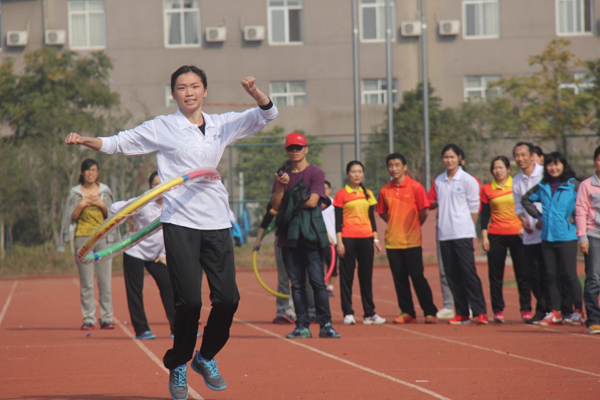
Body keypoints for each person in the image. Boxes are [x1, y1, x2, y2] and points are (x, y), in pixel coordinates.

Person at [65, 66, 277, 399]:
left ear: (205, 91)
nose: (189, 92)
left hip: (216, 222)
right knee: (189, 301)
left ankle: (205, 357)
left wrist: (255, 93)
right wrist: (84, 140)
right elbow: (118, 142)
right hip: (180, 222)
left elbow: (267, 115)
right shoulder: (163, 127)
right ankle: (179, 362)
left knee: (228, 299)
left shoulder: (221, 124)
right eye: (181, 87)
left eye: (195, 86)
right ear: (174, 93)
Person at [271, 132, 341, 339]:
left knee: (318, 282)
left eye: (298, 147)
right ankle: (302, 325)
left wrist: (288, 201)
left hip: (311, 235)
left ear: (306, 149)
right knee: (297, 284)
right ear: (287, 151)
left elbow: (313, 202)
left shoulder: (316, 173)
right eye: (291, 148)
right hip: (288, 237)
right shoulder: (282, 176)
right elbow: (275, 205)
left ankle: (325, 324)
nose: (294, 151)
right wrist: (281, 187)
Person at [109, 171, 175, 340]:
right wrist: (131, 222)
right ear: (150, 187)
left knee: (168, 284)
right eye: (155, 184)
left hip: (156, 255)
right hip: (135, 251)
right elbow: (114, 207)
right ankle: (141, 329)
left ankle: (177, 328)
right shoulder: (144, 203)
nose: (159, 187)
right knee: (135, 291)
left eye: (162, 183)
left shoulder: (172, 205)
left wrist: (164, 254)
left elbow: (170, 233)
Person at [428, 144, 488, 325]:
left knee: (468, 272)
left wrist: (469, 227)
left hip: (462, 233)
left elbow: (474, 207)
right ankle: (462, 312)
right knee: (452, 275)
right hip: (444, 234)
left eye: (452, 157)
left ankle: (480, 312)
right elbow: (432, 202)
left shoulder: (468, 180)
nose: (449, 160)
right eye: (446, 157)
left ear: (459, 159)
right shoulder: (439, 180)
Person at [522, 152, 583, 327]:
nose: (553, 168)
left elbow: (586, 203)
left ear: (563, 165)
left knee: (570, 275)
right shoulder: (543, 185)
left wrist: (575, 218)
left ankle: (578, 312)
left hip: (567, 236)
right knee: (551, 276)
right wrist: (539, 216)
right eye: (549, 164)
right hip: (547, 237)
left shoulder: (574, 185)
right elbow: (525, 199)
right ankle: (555, 312)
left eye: (556, 164)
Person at [376, 153, 438, 324]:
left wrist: (415, 224)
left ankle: (430, 311)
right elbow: (382, 212)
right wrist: (393, 222)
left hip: (412, 241)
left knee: (417, 276)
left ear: (404, 167)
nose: (393, 168)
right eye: (390, 165)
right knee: (400, 279)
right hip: (392, 242)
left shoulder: (415, 187)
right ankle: (407, 312)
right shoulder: (385, 190)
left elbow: (424, 210)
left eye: (397, 165)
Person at [58, 158, 116, 330]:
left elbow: (112, 215)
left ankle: (106, 317)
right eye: (88, 170)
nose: (91, 173)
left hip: (102, 239)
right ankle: (89, 318)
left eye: (94, 170)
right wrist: (82, 204)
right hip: (82, 239)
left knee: (105, 281)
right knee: (87, 282)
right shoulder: (75, 193)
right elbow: (70, 217)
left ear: (98, 173)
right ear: (82, 173)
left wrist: (101, 204)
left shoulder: (105, 191)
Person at [480, 156, 532, 323]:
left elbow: (526, 207)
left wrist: (524, 226)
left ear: (508, 169)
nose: (498, 171)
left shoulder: (516, 184)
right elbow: (484, 215)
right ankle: (498, 310)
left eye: (501, 167)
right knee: (495, 276)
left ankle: (526, 309)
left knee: (522, 274)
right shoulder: (487, 189)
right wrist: (484, 236)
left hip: (518, 234)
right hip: (496, 235)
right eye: (495, 168)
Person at [333, 160, 386, 326]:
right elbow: (338, 221)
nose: (357, 175)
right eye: (353, 172)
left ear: (363, 174)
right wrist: (339, 242)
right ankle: (348, 313)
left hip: (366, 239)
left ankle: (369, 313)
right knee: (346, 277)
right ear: (347, 174)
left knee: (366, 277)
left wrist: (376, 239)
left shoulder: (368, 194)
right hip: (347, 239)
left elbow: (372, 219)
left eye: (360, 172)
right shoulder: (341, 194)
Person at [253, 161, 296, 325]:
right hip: (282, 237)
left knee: (302, 277)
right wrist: (258, 239)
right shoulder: (277, 200)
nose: (284, 178)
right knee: (284, 277)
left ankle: (307, 310)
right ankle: (284, 311)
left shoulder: (303, 193)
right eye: (281, 175)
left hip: (301, 238)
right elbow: (268, 216)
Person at [512, 142, 550, 324]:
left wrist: (544, 218)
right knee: (533, 275)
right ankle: (542, 309)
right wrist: (522, 219)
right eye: (517, 156)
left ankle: (555, 309)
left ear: (532, 155)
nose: (520, 159)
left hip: (548, 234)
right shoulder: (516, 180)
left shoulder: (544, 174)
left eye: (523, 155)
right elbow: (518, 205)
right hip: (529, 235)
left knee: (548, 273)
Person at [575, 145, 600, 334]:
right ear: (594, 162)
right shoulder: (586, 185)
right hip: (593, 235)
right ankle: (593, 319)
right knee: (593, 278)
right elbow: (581, 211)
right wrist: (582, 236)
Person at [323, 180, 338, 296]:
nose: (324, 190)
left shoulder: (335, 204)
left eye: (326, 188)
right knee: (319, 265)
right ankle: (321, 285)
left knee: (332, 264)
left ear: (330, 190)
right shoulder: (314, 203)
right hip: (319, 240)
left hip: (333, 240)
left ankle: (330, 287)